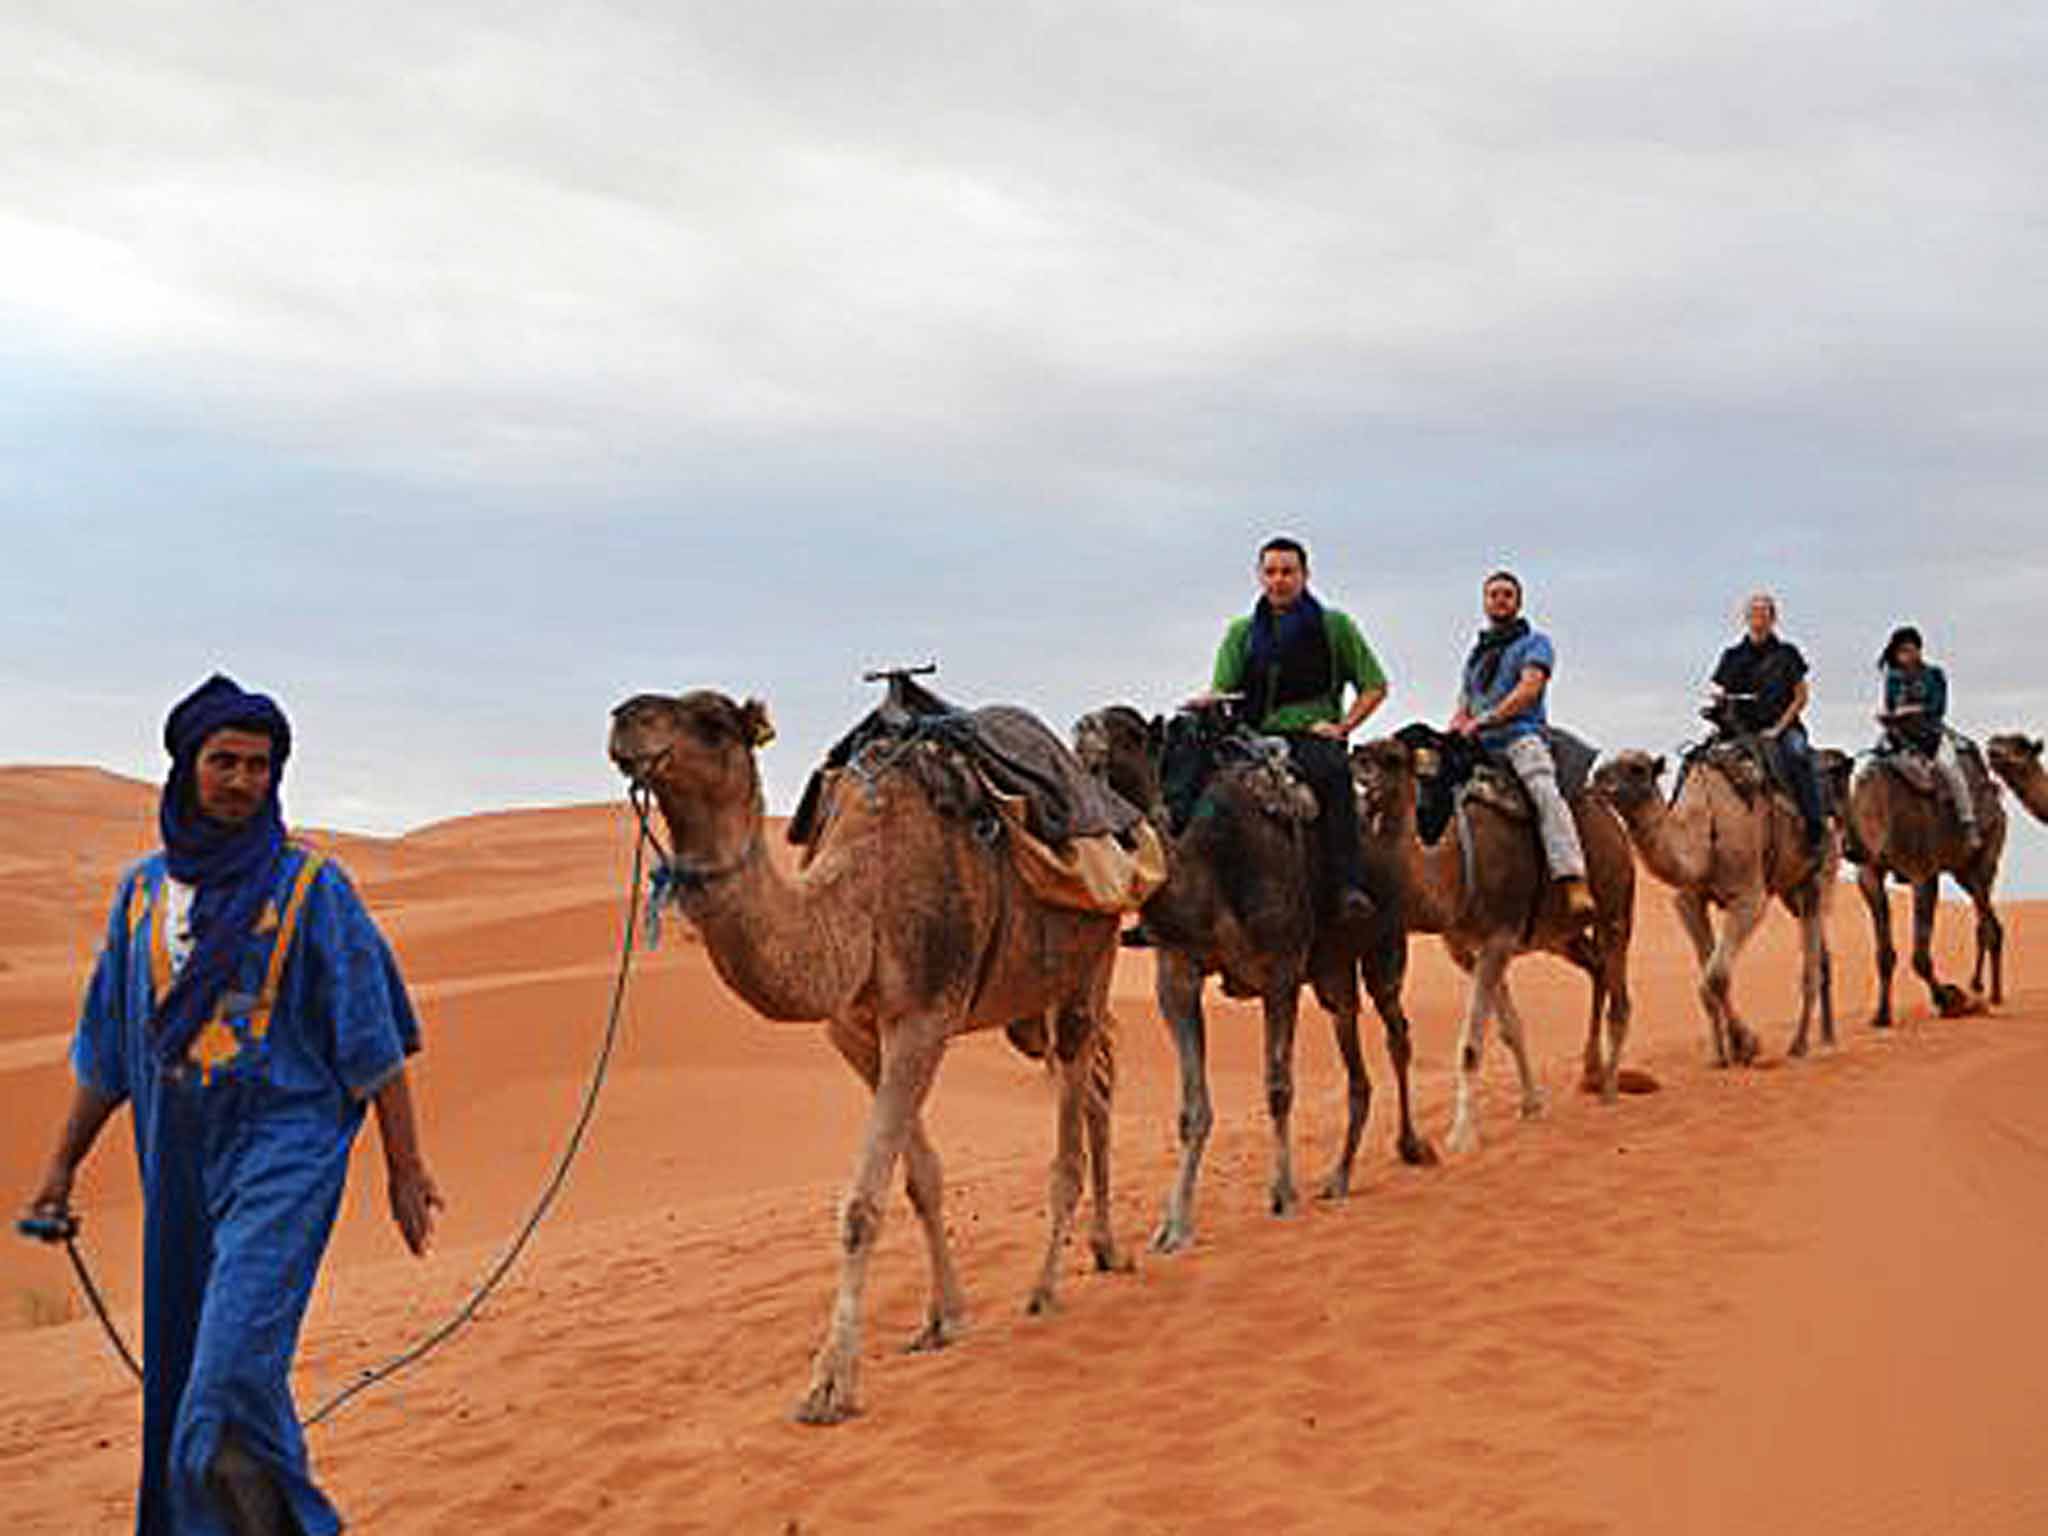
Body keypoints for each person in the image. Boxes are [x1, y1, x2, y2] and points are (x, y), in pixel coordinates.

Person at [20, 674, 441, 1536]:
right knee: (189, 1381)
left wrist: (405, 1168)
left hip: (283, 1153)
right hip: (175, 1159)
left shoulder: (314, 888)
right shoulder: (141, 894)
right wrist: (60, 1167)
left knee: (228, 1379)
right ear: (186, 765)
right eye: (225, 762)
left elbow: (372, 1041)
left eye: (261, 765)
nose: (243, 781)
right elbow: (109, 1047)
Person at [1208, 535, 1389, 927]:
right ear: (1259, 576)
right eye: (1270, 572)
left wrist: (1344, 727)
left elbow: (1374, 685)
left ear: (1305, 575)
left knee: (1335, 777)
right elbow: (1222, 691)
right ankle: (1174, 894)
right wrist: (1207, 704)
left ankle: (1348, 887)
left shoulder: (1334, 626)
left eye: (1287, 571)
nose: (1279, 580)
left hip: (1310, 737)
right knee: (1190, 775)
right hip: (1249, 738)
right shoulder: (1241, 633)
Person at [1447, 569, 1595, 923]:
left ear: (1518, 602)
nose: (1499, 600)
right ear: (1485, 602)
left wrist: (1488, 719)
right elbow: (1464, 704)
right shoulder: (1477, 655)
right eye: (1493, 594)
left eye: (1506, 594)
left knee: (1544, 792)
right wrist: (1454, 728)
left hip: (1520, 736)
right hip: (1479, 743)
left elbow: (1529, 689)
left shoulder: (1535, 644)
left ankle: (1572, 877)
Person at [1709, 592, 1826, 853]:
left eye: (1763, 613)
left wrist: (1778, 729)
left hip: (1781, 728)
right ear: (1745, 618)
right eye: (1753, 613)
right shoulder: (1732, 656)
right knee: (1700, 761)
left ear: (1773, 619)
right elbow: (1720, 692)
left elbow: (1801, 696)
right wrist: (1720, 700)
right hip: (1739, 731)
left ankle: (1814, 828)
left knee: (1797, 756)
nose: (1757, 618)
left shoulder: (1787, 654)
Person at [1876, 624, 1979, 849]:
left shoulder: (1934, 675)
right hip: (1900, 737)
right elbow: (1890, 706)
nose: (1905, 656)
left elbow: (1938, 707)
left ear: (1918, 649)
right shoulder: (1893, 679)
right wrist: (1888, 716)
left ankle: (1968, 823)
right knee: (1874, 767)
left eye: (1908, 650)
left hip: (1930, 734)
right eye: (1900, 651)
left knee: (1951, 771)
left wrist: (1914, 710)